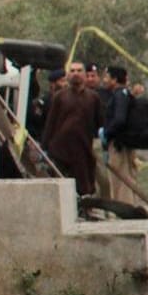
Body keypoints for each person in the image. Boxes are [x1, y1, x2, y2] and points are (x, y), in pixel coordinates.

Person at [41, 61, 102, 199]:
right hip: (60, 150)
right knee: (60, 188)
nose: (76, 74)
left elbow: (99, 123)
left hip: (83, 149)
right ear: (68, 74)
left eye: (79, 70)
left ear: (85, 75)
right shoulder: (59, 97)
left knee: (84, 187)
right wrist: (44, 148)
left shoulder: (93, 98)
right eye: (72, 71)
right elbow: (50, 124)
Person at [100, 68, 148, 205]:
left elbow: (120, 119)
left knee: (120, 180)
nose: (104, 80)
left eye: (107, 77)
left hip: (118, 144)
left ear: (114, 80)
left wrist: (107, 132)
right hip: (126, 142)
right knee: (128, 177)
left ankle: (124, 209)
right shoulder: (126, 94)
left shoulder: (119, 96)